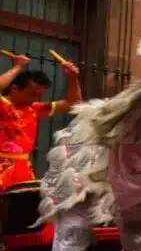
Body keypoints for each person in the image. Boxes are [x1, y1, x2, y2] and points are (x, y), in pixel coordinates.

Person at [0, 53, 81, 190]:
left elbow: (72, 103)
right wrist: (17, 67)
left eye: (39, 95)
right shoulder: (3, 104)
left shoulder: (34, 108)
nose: (36, 98)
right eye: (32, 94)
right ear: (14, 88)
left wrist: (72, 78)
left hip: (23, 166)